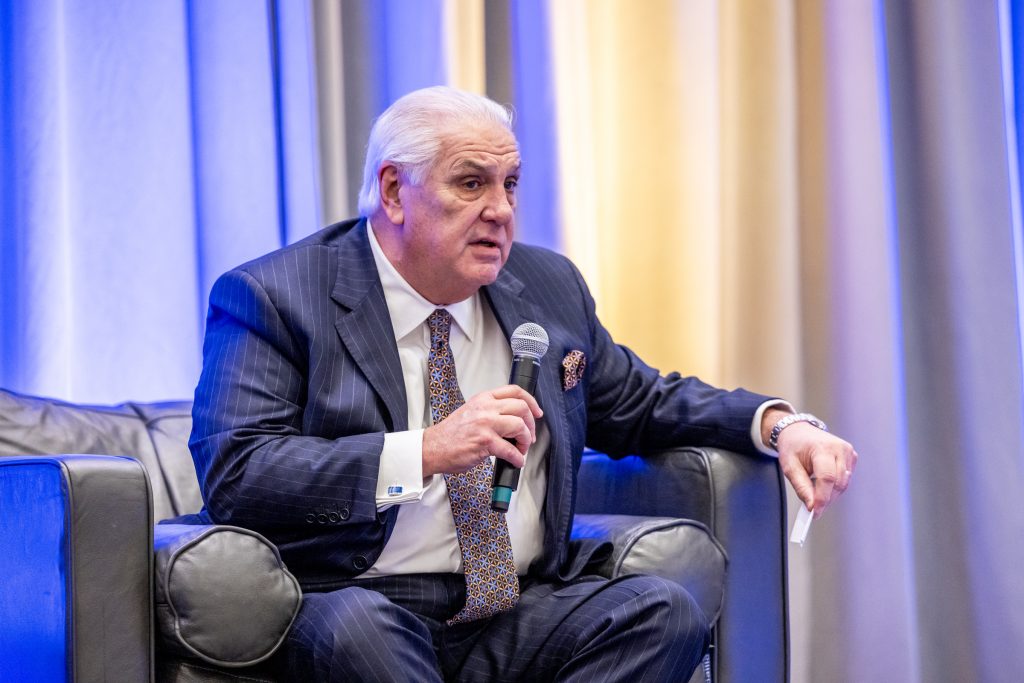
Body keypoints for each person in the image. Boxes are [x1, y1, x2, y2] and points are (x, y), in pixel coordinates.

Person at [189, 85, 857, 682]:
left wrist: (781, 425)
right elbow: (239, 471)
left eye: (510, 184)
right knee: (361, 633)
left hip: (508, 607)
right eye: (471, 183)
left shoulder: (545, 285)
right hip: (357, 597)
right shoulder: (277, 295)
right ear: (393, 191)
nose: (500, 210)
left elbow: (641, 402)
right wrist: (427, 450)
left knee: (662, 610)